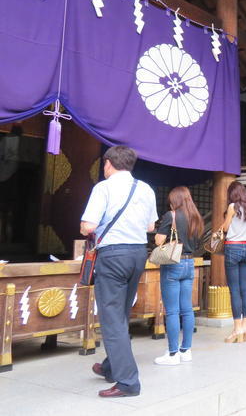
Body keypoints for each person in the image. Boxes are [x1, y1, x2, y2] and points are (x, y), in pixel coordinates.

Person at [80, 146, 157, 398]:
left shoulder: (103, 188)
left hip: (113, 254)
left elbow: (87, 226)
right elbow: (150, 226)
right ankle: (111, 367)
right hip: (137, 254)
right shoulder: (145, 188)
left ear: (109, 163)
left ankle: (127, 382)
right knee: (120, 313)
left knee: (112, 318)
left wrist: (89, 227)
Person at [153, 186, 203, 365]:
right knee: (187, 309)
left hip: (174, 263)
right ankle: (186, 350)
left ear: (175, 200)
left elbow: (159, 240)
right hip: (190, 263)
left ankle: (173, 353)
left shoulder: (171, 216)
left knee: (172, 310)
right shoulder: (196, 217)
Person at [221, 181, 246, 343]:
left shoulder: (232, 207)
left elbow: (225, 228)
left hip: (233, 248)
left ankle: (237, 330)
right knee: (244, 288)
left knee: (234, 290)